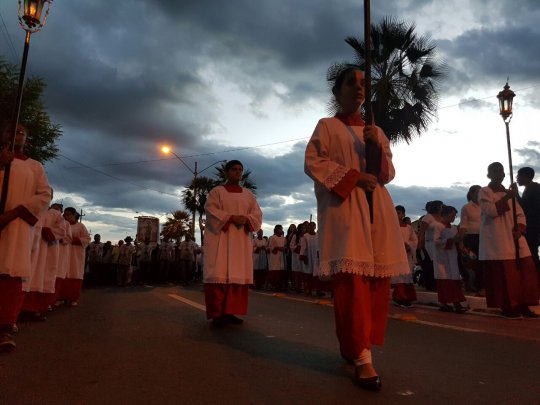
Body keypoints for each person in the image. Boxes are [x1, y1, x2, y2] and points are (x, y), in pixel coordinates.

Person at [304, 66, 409, 390]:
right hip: (346, 210)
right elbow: (313, 162)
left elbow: (387, 174)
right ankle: (363, 358)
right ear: (337, 92)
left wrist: (375, 147)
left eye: (364, 83)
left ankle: (357, 346)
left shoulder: (375, 131)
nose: (359, 87)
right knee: (352, 286)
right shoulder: (327, 126)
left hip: (378, 209)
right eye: (351, 82)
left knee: (376, 285)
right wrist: (353, 177)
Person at [0, 124, 51, 352]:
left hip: (16, 226)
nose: (15, 134)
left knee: (9, 273)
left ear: (26, 141)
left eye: (20, 132)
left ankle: (4, 328)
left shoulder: (34, 166)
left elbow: (44, 195)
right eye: (11, 131)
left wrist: (14, 213)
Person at [203, 160, 262, 327]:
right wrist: (231, 218)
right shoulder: (217, 191)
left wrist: (247, 219)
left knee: (237, 274)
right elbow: (211, 211)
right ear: (227, 172)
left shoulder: (248, 195)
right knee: (219, 273)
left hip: (240, 242)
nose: (238, 172)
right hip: (221, 240)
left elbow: (257, 215)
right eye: (234, 169)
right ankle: (217, 314)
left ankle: (230, 312)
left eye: (240, 170)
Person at [478, 162, 539, 319]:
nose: (498, 173)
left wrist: (520, 229)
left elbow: (520, 214)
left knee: (526, 271)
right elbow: (490, 211)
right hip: (498, 239)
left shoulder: (509, 194)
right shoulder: (485, 192)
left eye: (501, 171)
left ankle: (523, 304)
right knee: (504, 276)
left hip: (515, 237)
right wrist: (508, 197)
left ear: (504, 175)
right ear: (489, 175)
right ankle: (508, 306)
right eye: (494, 171)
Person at [433, 205, 468, 313]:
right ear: (445, 215)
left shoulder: (453, 228)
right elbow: (436, 241)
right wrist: (451, 240)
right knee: (445, 280)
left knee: (453, 280)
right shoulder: (438, 226)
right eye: (452, 215)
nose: (453, 218)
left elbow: (457, 241)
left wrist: (461, 244)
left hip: (452, 256)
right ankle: (449, 303)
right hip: (442, 257)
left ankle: (453, 303)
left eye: (454, 216)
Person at [60, 207, 91, 305]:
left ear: (74, 215)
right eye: (65, 214)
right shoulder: (62, 225)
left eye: (68, 214)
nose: (66, 216)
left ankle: (73, 298)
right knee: (62, 273)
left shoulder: (80, 226)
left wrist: (72, 240)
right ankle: (60, 297)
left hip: (76, 255)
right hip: (63, 253)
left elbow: (87, 239)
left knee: (75, 273)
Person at [391, 205, 418, 307]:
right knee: (399, 276)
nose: (396, 215)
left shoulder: (409, 228)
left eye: (398, 213)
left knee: (407, 275)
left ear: (403, 214)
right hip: (396, 254)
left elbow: (414, 240)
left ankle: (408, 297)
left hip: (407, 254)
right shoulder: (391, 226)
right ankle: (400, 297)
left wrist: (409, 246)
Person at [458, 185, 483, 294]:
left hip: (484, 237)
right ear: (472, 194)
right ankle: (472, 284)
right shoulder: (466, 207)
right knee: (473, 262)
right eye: (478, 192)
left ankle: (480, 285)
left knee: (483, 262)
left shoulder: (484, 206)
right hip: (471, 237)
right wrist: (461, 241)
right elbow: (463, 225)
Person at [517, 167, 540, 273]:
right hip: (532, 226)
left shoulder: (535, 189)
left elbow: (525, 207)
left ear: (525, 176)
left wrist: (516, 194)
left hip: (533, 226)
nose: (517, 178)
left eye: (518, 176)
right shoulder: (530, 188)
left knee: (532, 252)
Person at [267, 224, 287, 291]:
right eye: (280, 229)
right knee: (274, 270)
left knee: (281, 270)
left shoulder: (283, 238)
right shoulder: (273, 237)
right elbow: (270, 247)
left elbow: (285, 246)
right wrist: (278, 248)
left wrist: (284, 248)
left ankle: (279, 285)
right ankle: (273, 285)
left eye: (281, 229)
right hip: (275, 256)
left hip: (281, 256)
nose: (281, 230)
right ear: (277, 230)